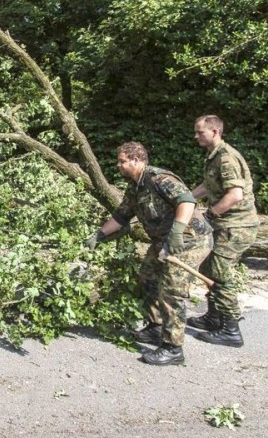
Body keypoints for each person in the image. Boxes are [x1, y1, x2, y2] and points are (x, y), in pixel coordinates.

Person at [86, 142, 212, 366]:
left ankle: (173, 348)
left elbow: (187, 201)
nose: (119, 165)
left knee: (172, 290)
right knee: (148, 278)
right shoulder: (134, 187)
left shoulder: (159, 179)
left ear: (137, 160)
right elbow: (121, 216)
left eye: (123, 161)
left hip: (190, 240)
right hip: (162, 240)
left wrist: (176, 232)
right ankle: (155, 326)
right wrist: (99, 235)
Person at [189, 115, 260, 347]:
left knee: (220, 274)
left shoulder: (226, 158)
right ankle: (214, 317)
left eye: (200, 132)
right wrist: (185, 199)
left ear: (215, 132)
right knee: (208, 268)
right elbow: (207, 186)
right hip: (226, 224)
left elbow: (235, 195)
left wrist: (209, 216)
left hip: (236, 226)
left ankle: (231, 330)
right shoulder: (214, 156)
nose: (196, 136)